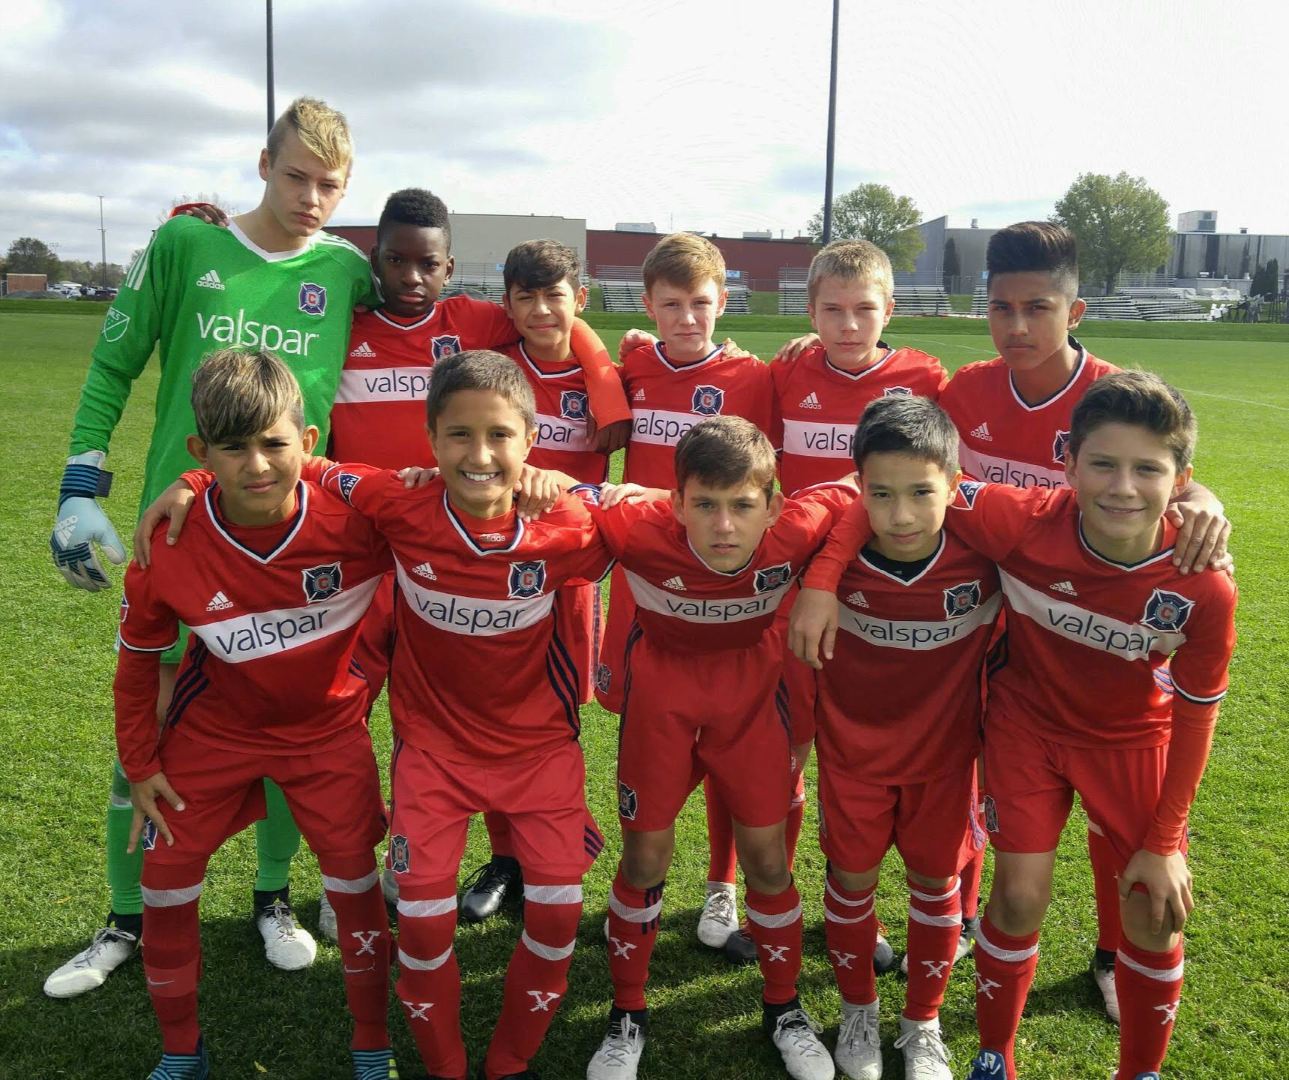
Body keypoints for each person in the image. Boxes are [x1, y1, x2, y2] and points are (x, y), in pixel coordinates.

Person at [791, 371, 1237, 1080]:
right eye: (1102, 464)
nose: (1121, 487)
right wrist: (820, 583)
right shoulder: (1016, 520)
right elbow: (874, 490)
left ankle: (1139, 1072)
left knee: (1153, 907)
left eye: (1147, 470)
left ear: (1179, 478)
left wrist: (1163, 840)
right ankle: (994, 1056)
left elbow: (1196, 713)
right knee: (1017, 896)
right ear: (1066, 463)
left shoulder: (1202, 583)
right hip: (1024, 729)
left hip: (1131, 743)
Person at [46, 96, 377, 997]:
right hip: (181, 535)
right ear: (261, 164)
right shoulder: (186, 245)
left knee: (280, 716)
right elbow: (114, 363)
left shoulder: (349, 271)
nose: (312, 198)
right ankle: (124, 917)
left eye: (331, 185)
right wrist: (83, 485)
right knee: (144, 725)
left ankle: (271, 898)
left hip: (293, 547)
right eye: (297, 176)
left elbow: (438, 331)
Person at [325, 194, 628, 932]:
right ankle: (398, 861)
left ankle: (523, 855)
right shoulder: (351, 329)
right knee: (398, 701)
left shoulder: (486, 331)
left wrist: (610, 391)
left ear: (450, 270)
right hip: (397, 542)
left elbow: (563, 320)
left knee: (533, 707)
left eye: (428, 262)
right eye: (396, 259)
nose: (411, 275)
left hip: (537, 557)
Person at [323, 351, 612, 1080]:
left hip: (541, 755)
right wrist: (195, 482)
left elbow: (663, 514)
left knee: (554, 921)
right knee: (420, 927)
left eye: (498, 437)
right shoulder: (399, 505)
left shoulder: (570, 524)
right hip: (432, 757)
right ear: (429, 438)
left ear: (529, 438)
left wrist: (573, 486)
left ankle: (509, 1063)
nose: (478, 456)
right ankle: (447, 1069)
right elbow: (308, 467)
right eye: (457, 436)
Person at [118, 350, 395, 1080]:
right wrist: (141, 766)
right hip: (215, 735)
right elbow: (136, 665)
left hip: (328, 732)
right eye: (232, 449)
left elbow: (436, 499)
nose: (258, 465)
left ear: (307, 442)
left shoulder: (357, 516)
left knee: (353, 885)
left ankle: (371, 1042)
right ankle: (182, 1050)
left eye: (274, 443)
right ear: (200, 453)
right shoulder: (165, 542)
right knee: (166, 878)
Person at [702, 238, 949, 969]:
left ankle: (874, 912)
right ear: (808, 313)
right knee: (769, 747)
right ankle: (742, 890)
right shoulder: (787, 370)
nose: (848, 325)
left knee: (862, 756)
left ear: (889, 311)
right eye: (832, 311)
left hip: (882, 597)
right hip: (781, 590)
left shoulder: (923, 379)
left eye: (863, 309)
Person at [584, 416, 853, 1080]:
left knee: (766, 861)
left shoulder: (797, 525)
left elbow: (860, 488)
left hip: (751, 706)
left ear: (774, 506)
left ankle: (783, 1006)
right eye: (704, 504)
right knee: (645, 856)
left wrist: (821, 579)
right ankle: (627, 1011)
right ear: (673, 503)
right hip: (661, 705)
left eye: (741, 506)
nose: (724, 525)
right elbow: (558, 491)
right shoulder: (634, 524)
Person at [802, 396, 999, 1080]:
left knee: (934, 884)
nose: (902, 514)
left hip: (945, 764)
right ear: (859, 491)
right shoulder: (828, 540)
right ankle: (857, 1010)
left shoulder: (986, 551)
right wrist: (824, 575)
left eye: (921, 492)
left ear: (955, 486)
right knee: (851, 881)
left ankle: (922, 1023)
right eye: (880, 495)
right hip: (852, 760)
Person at [595, 232, 778, 961]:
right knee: (651, 731)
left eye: (699, 303)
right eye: (670, 305)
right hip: (649, 581)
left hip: (730, 578)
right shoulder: (633, 364)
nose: (686, 319)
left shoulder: (755, 376)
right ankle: (645, 883)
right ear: (647, 306)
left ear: (721, 302)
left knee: (738, 740)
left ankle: (721, 884)